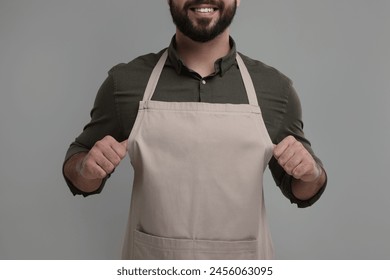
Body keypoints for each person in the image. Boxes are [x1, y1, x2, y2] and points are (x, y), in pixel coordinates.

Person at [63, 0, 327, 259]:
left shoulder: (275, 90)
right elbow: (80, 173)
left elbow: (301, 188)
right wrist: (87, 168)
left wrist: (310, 173)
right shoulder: (125, 83)